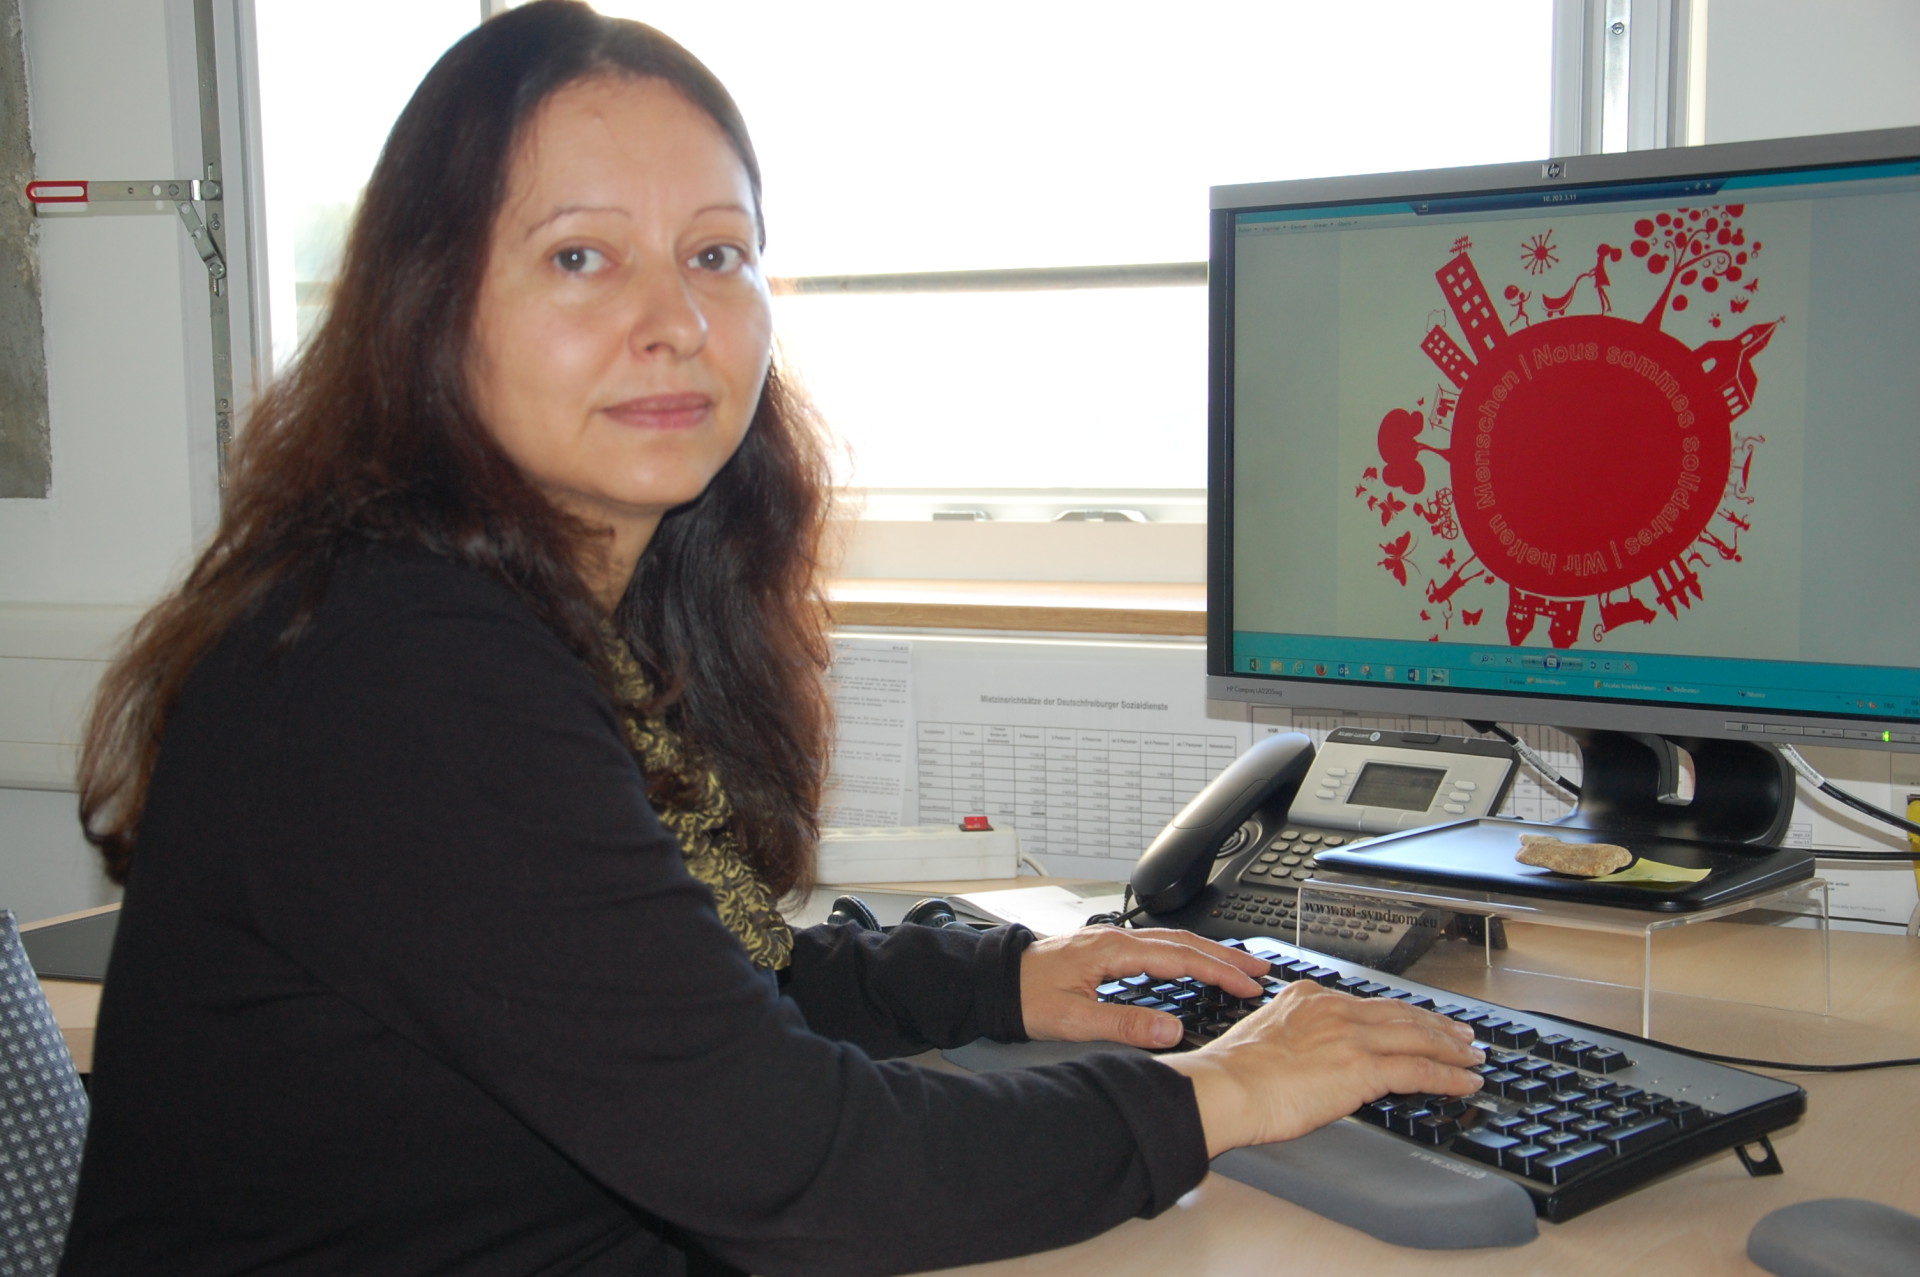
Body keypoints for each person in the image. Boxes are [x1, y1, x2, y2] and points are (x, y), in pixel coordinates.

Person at [58, 4, 1482, 1273]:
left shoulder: (549, 605)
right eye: (578, 257)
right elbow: (806, 1170)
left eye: (716, 253)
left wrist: (997, 978)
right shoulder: (403, 665)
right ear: (432, 306)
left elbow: (680, 995)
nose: (675, 319)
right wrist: (1218, 1093)